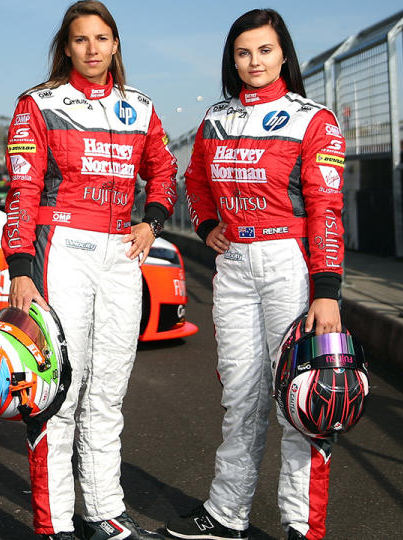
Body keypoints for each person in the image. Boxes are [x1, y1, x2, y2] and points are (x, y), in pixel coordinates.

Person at [165, 9, 346, 540]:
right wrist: (206, 224)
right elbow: (194, 179)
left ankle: (301, 526)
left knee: (302, 399)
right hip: (235, 265)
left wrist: (327, 290)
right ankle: (226, 515)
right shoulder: (216, 119)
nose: (254, 62)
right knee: (240, 397)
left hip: (290, 263)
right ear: (233, 59)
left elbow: (326, 209)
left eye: (264, 50)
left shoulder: (314, 119)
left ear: (283, 53)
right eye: (243, 53)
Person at [0, 2, 177, 539]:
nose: (93, 48)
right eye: (81, 40)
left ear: (116, 44)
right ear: (67, 47)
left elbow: (165, 173)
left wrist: (152, 222)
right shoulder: (39, 103)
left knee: (108, 392)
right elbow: (22, 191)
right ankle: (52, 523)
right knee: (59, 389)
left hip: (123, 253)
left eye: (102, 38)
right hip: (63, 250)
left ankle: (104, 514)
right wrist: (20, 266)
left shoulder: (141, 108)